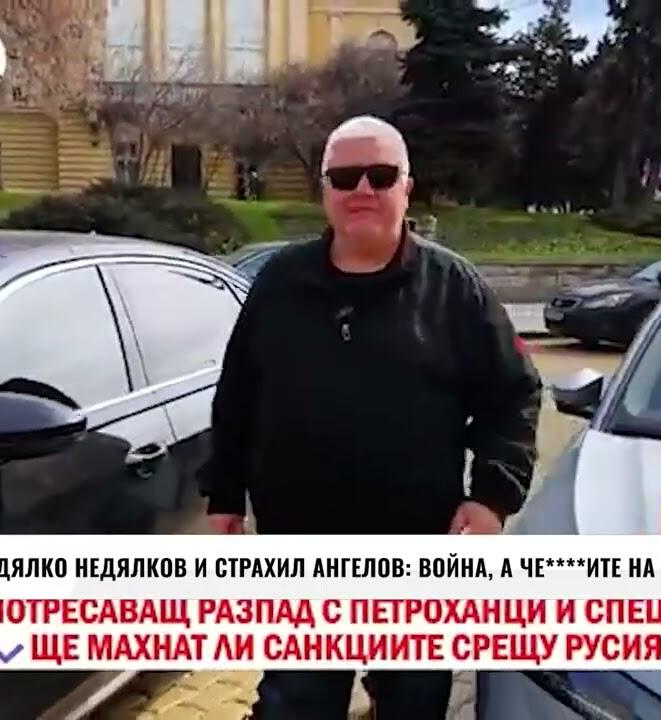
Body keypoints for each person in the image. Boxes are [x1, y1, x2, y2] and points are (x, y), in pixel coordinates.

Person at [199, 115, 543, 719]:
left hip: (417, 557)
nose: (362, 189)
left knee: (413, 704)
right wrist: (223, 497)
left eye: (380, 176)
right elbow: (237, 398)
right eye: (345, 177)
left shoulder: (454, 290)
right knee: (294, 705)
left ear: (407, 188)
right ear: (325, 191)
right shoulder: (280, 284)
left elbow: (513, 397)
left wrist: (491, 498)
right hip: (300, 555)